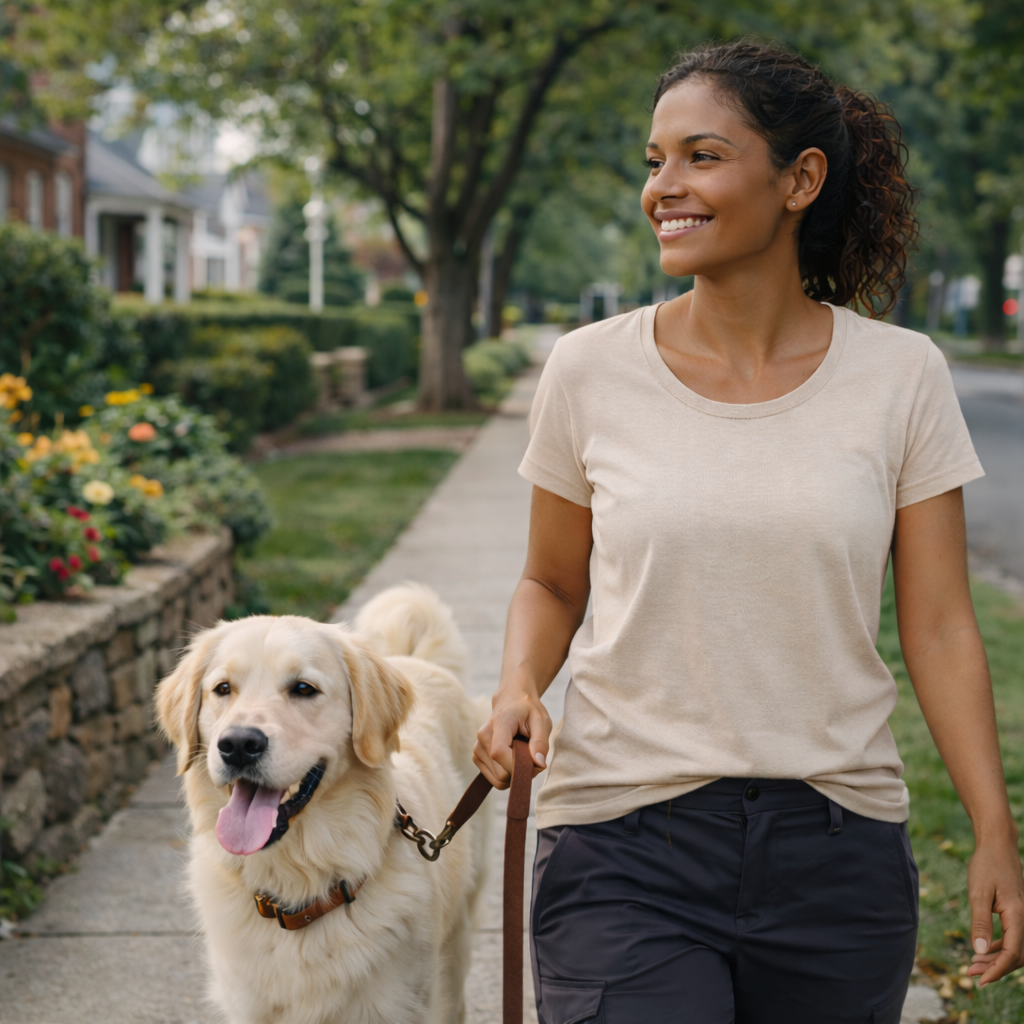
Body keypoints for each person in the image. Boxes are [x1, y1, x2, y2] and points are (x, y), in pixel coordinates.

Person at [472, 39, 1024, 1023]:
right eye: (654, 161)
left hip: (837, 850)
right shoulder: (588, 369)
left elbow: (938, 626)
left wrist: (993, 827)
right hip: (622, 842)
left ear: (799, 179)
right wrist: (519, 684)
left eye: (701, 155)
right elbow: (552, 582)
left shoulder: (901, 376)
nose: (663, 187)